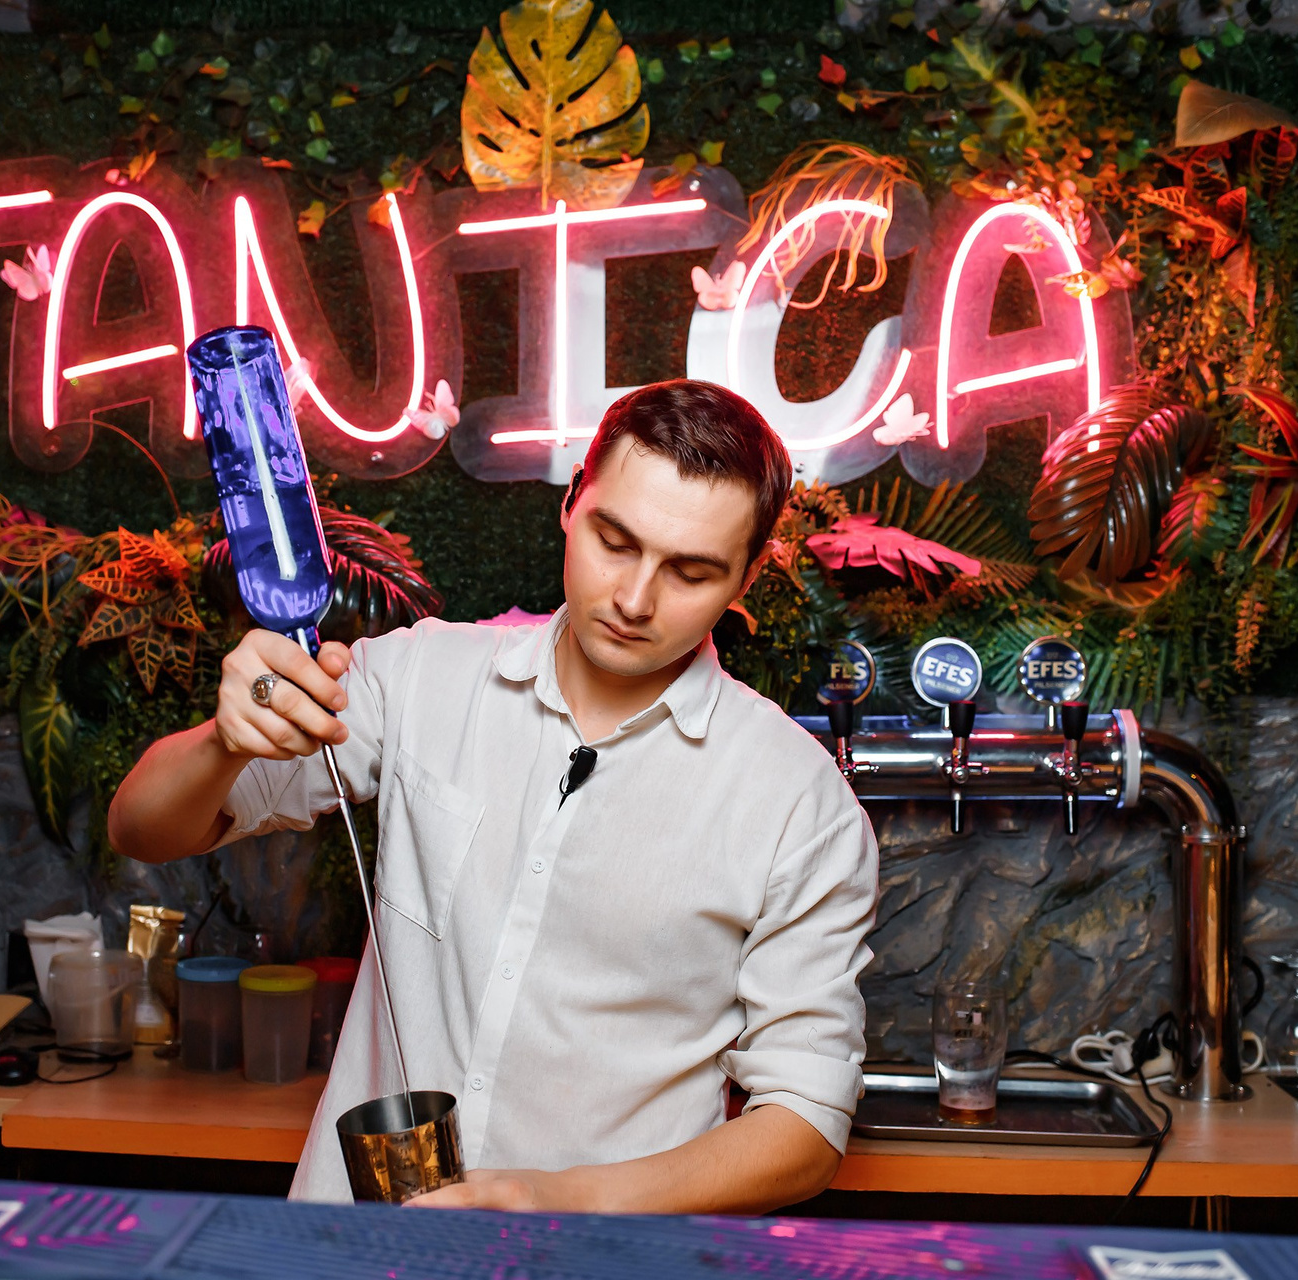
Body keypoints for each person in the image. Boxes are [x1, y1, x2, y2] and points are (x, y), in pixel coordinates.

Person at [109, 379, 877, 1213]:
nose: (634, 599)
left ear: (750, 574)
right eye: (614, 541)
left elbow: (804, 1127)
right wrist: (224, 742)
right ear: (572, 501)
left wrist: (550, 1199)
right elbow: (142, 829)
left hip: (595, 1263)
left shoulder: (797, 800)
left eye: (691, 571)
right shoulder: (418, 676)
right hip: (352, 1249)